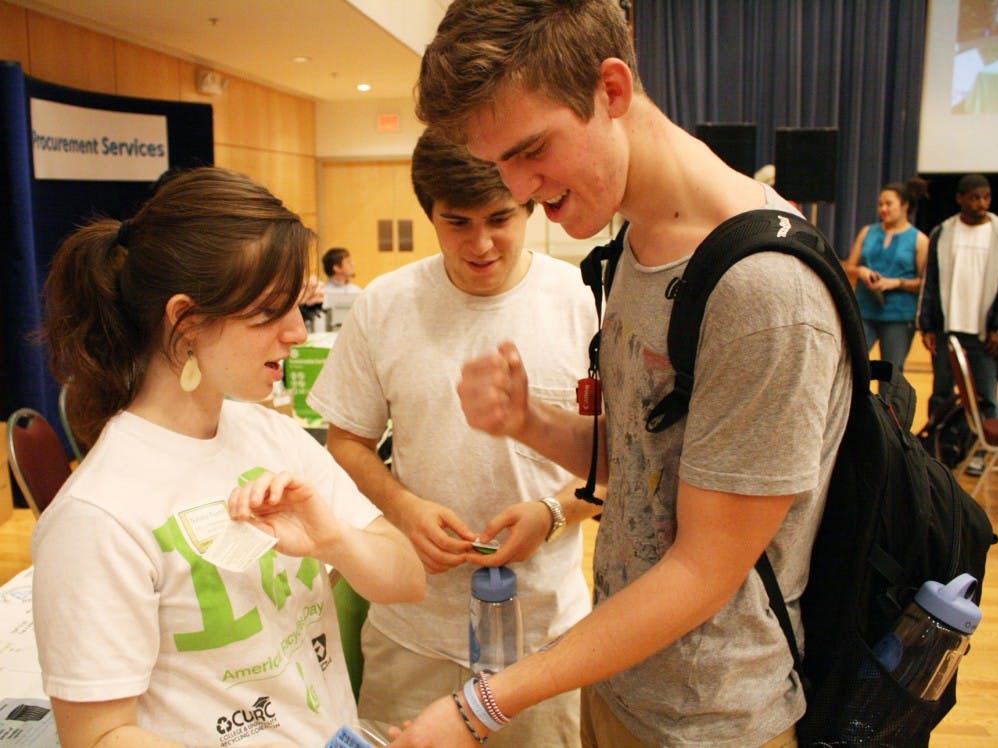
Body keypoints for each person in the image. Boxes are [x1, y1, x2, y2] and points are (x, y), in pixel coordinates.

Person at [392, 1, 852, 746]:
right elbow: (649, 468)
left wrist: (482, 704)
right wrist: (532, 424)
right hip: (618, 682)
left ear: (610, 89)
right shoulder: (639, 243)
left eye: (531, 149)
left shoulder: (764, 292)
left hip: (714, 720)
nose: (518, 188)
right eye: (499, 162)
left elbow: (704, 570)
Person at [32, 166, 424, 748]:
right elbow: (97, 736)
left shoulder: (274, 436)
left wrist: (334, 541)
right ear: (187, 321)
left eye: (298, 305)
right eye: (271, 312)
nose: (296, 331)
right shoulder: (98, 513)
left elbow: (407, 577)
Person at [305, 127, 599, 747]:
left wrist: (552, 513)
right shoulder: (385, 305)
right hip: (412, 629)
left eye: (499, 218)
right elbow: (348, 440)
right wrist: (404, 508)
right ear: (430, 216)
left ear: (529, 204)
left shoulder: (582, 300)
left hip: (546, 637)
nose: (482, 243)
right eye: (457, 222)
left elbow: (625, 462)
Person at [917, 173, 998, 473]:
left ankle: (980, 453)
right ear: (960, 198)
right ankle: (937, 451)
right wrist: (926, 325)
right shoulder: (944, 232)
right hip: (947, 329)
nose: (982, 203)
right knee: (941, 393)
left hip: (985, 333)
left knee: (987, 397)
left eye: (987, 197)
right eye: (976, 197)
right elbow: (931, 282)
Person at [843, 177, 930, 383]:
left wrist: (896, 283)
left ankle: (888, 415)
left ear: (904, 205)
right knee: (851, 365)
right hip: (864, 310)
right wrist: (861, 271)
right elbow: (849, 267)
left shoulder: (919, 239)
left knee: (891, 375)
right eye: (880, 204)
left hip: (898, 316)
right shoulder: (867, 232)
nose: (883, 208)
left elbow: (923, 284)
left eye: (889, 204)